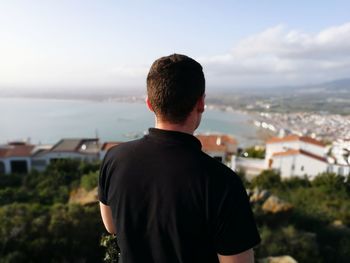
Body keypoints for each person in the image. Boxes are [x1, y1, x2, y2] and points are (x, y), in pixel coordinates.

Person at [98, 54, 260, 263]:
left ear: (149, 103)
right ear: (201, 103)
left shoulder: (114, 159)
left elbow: (111, 226)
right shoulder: (222, 182)